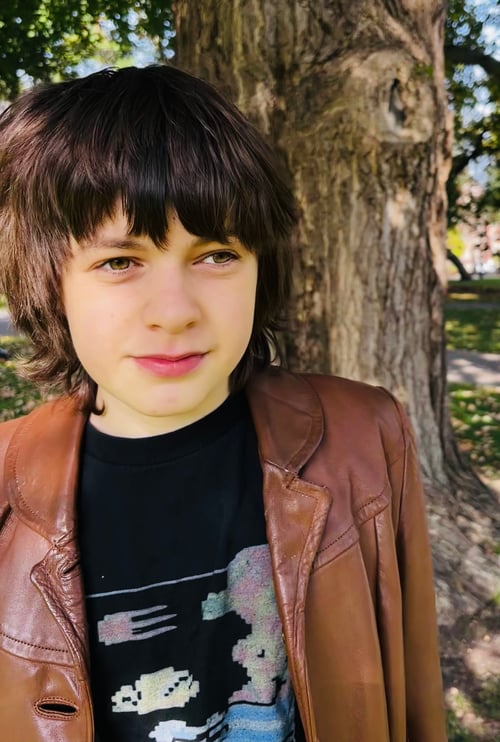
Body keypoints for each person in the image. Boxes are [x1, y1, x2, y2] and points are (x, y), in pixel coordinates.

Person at [0, 65, 446, 742]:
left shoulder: (366, 436)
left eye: (215, 254)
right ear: (48, 284)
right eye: (119, 262)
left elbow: (410, 691)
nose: (175, 312)